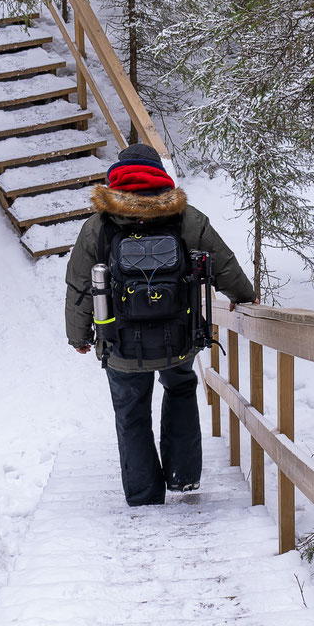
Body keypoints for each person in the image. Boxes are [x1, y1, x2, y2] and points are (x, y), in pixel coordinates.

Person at [65, 143, 255, 506]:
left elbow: (80, 286)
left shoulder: (98, 226)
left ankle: (143, 494)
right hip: (178, 337)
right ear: (159, 174)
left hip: (119, 342)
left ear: (115, 178)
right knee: (181, 391)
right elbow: (224, 264)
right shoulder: (186, 217)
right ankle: (183, 476)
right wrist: (244, 296)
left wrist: (79, 335)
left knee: (131, 412)